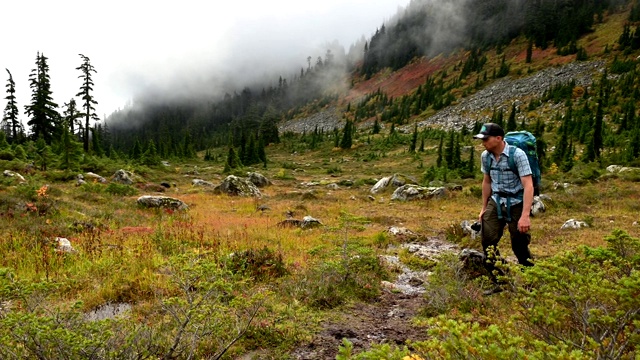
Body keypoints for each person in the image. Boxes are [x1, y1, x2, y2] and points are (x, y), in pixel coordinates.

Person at [474, 123, 534, 293]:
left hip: (517, 201)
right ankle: (500, 281)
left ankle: (530, 281)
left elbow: (528, 185)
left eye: (486, 139)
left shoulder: (518, 155)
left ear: (498, 138)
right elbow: (487, 181)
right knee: (488, 241)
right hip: (496, 200)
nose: (483, 142)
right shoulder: (486, 156)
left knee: (519, 244)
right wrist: (484, 208)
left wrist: (525, 216)